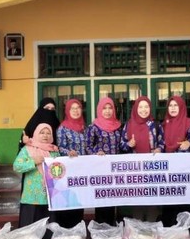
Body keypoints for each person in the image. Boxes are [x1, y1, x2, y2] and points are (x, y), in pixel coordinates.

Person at [13, 123, 60, 239]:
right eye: (42, 133)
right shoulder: (27, 150)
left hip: (50, 197)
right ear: (36, 134)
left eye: (48, 133)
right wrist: (34, 161)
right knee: (30, 232)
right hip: (32, 198)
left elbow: (60, 171)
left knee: (49, 229)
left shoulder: (54, 151)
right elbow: (17, 166)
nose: (45, 136)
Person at [120, 96, 164, 221]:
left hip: (152, 169)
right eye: (140, 107)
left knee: (152, 202)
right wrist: (129, 144)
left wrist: (159, 149)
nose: (143, 110)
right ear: (135, 109)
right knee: (137, 203)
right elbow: (121, 146)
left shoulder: (155, 125)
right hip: (135, 170)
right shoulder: (128, 125)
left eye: (146, 107)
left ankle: (150, 233)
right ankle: (137, 235)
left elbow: (162, 142)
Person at [161, 95, 190, 228]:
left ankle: (187, 231)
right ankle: (169, 232)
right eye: (170, 106)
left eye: (175, 105)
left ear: (181, 107)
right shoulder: (164, 124)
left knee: (184, 201)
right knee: (169, 202)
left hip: (184, 171)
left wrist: (188, 142)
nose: (172, 108)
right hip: (168, 172)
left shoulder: (188, 122)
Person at [86, 97, 123, 225]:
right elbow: (87, 146)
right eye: (104, 108)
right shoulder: (94, 127)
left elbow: (122, 146)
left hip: (116, 170)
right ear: (99, 110)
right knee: (102, 199)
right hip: (100, 169)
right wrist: (96, 153)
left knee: (114, 198)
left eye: (110, 108)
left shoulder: (118, 126)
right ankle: (101, 228)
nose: (107, 111)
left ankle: (113, 228)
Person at [55, 98, 87, 229]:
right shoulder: (62, 128)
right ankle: (66, 231)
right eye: (72, 108)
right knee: (68, 201)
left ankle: (77, 232)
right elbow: (59, 147)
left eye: (78, 108)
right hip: (68, 172)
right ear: (67, 110)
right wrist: (68, 152)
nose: (75, 111)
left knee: (79, 201)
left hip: (82, 171)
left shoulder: (84, 127)